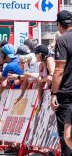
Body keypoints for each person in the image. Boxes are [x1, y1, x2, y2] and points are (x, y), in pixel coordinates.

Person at [51, 10, 72, 156]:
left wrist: (53, 93)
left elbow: (59, 69)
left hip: (67, 93)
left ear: (59, 25)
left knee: (66, 134)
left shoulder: (63, 39)